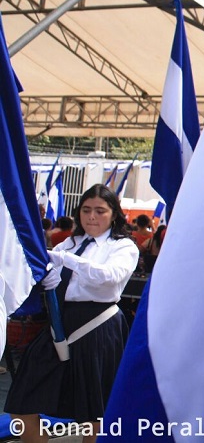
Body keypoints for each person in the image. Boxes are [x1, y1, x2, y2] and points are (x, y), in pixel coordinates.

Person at [5, 184, 139, 443]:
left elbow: (110, 277)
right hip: (58, 324)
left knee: (94, 414)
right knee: (21, 403)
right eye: (86, 210)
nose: (91, 216)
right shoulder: (70, 242)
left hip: (98, 325)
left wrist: (66, 260)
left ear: (114, 214)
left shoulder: (123, 246)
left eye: (100, 211)